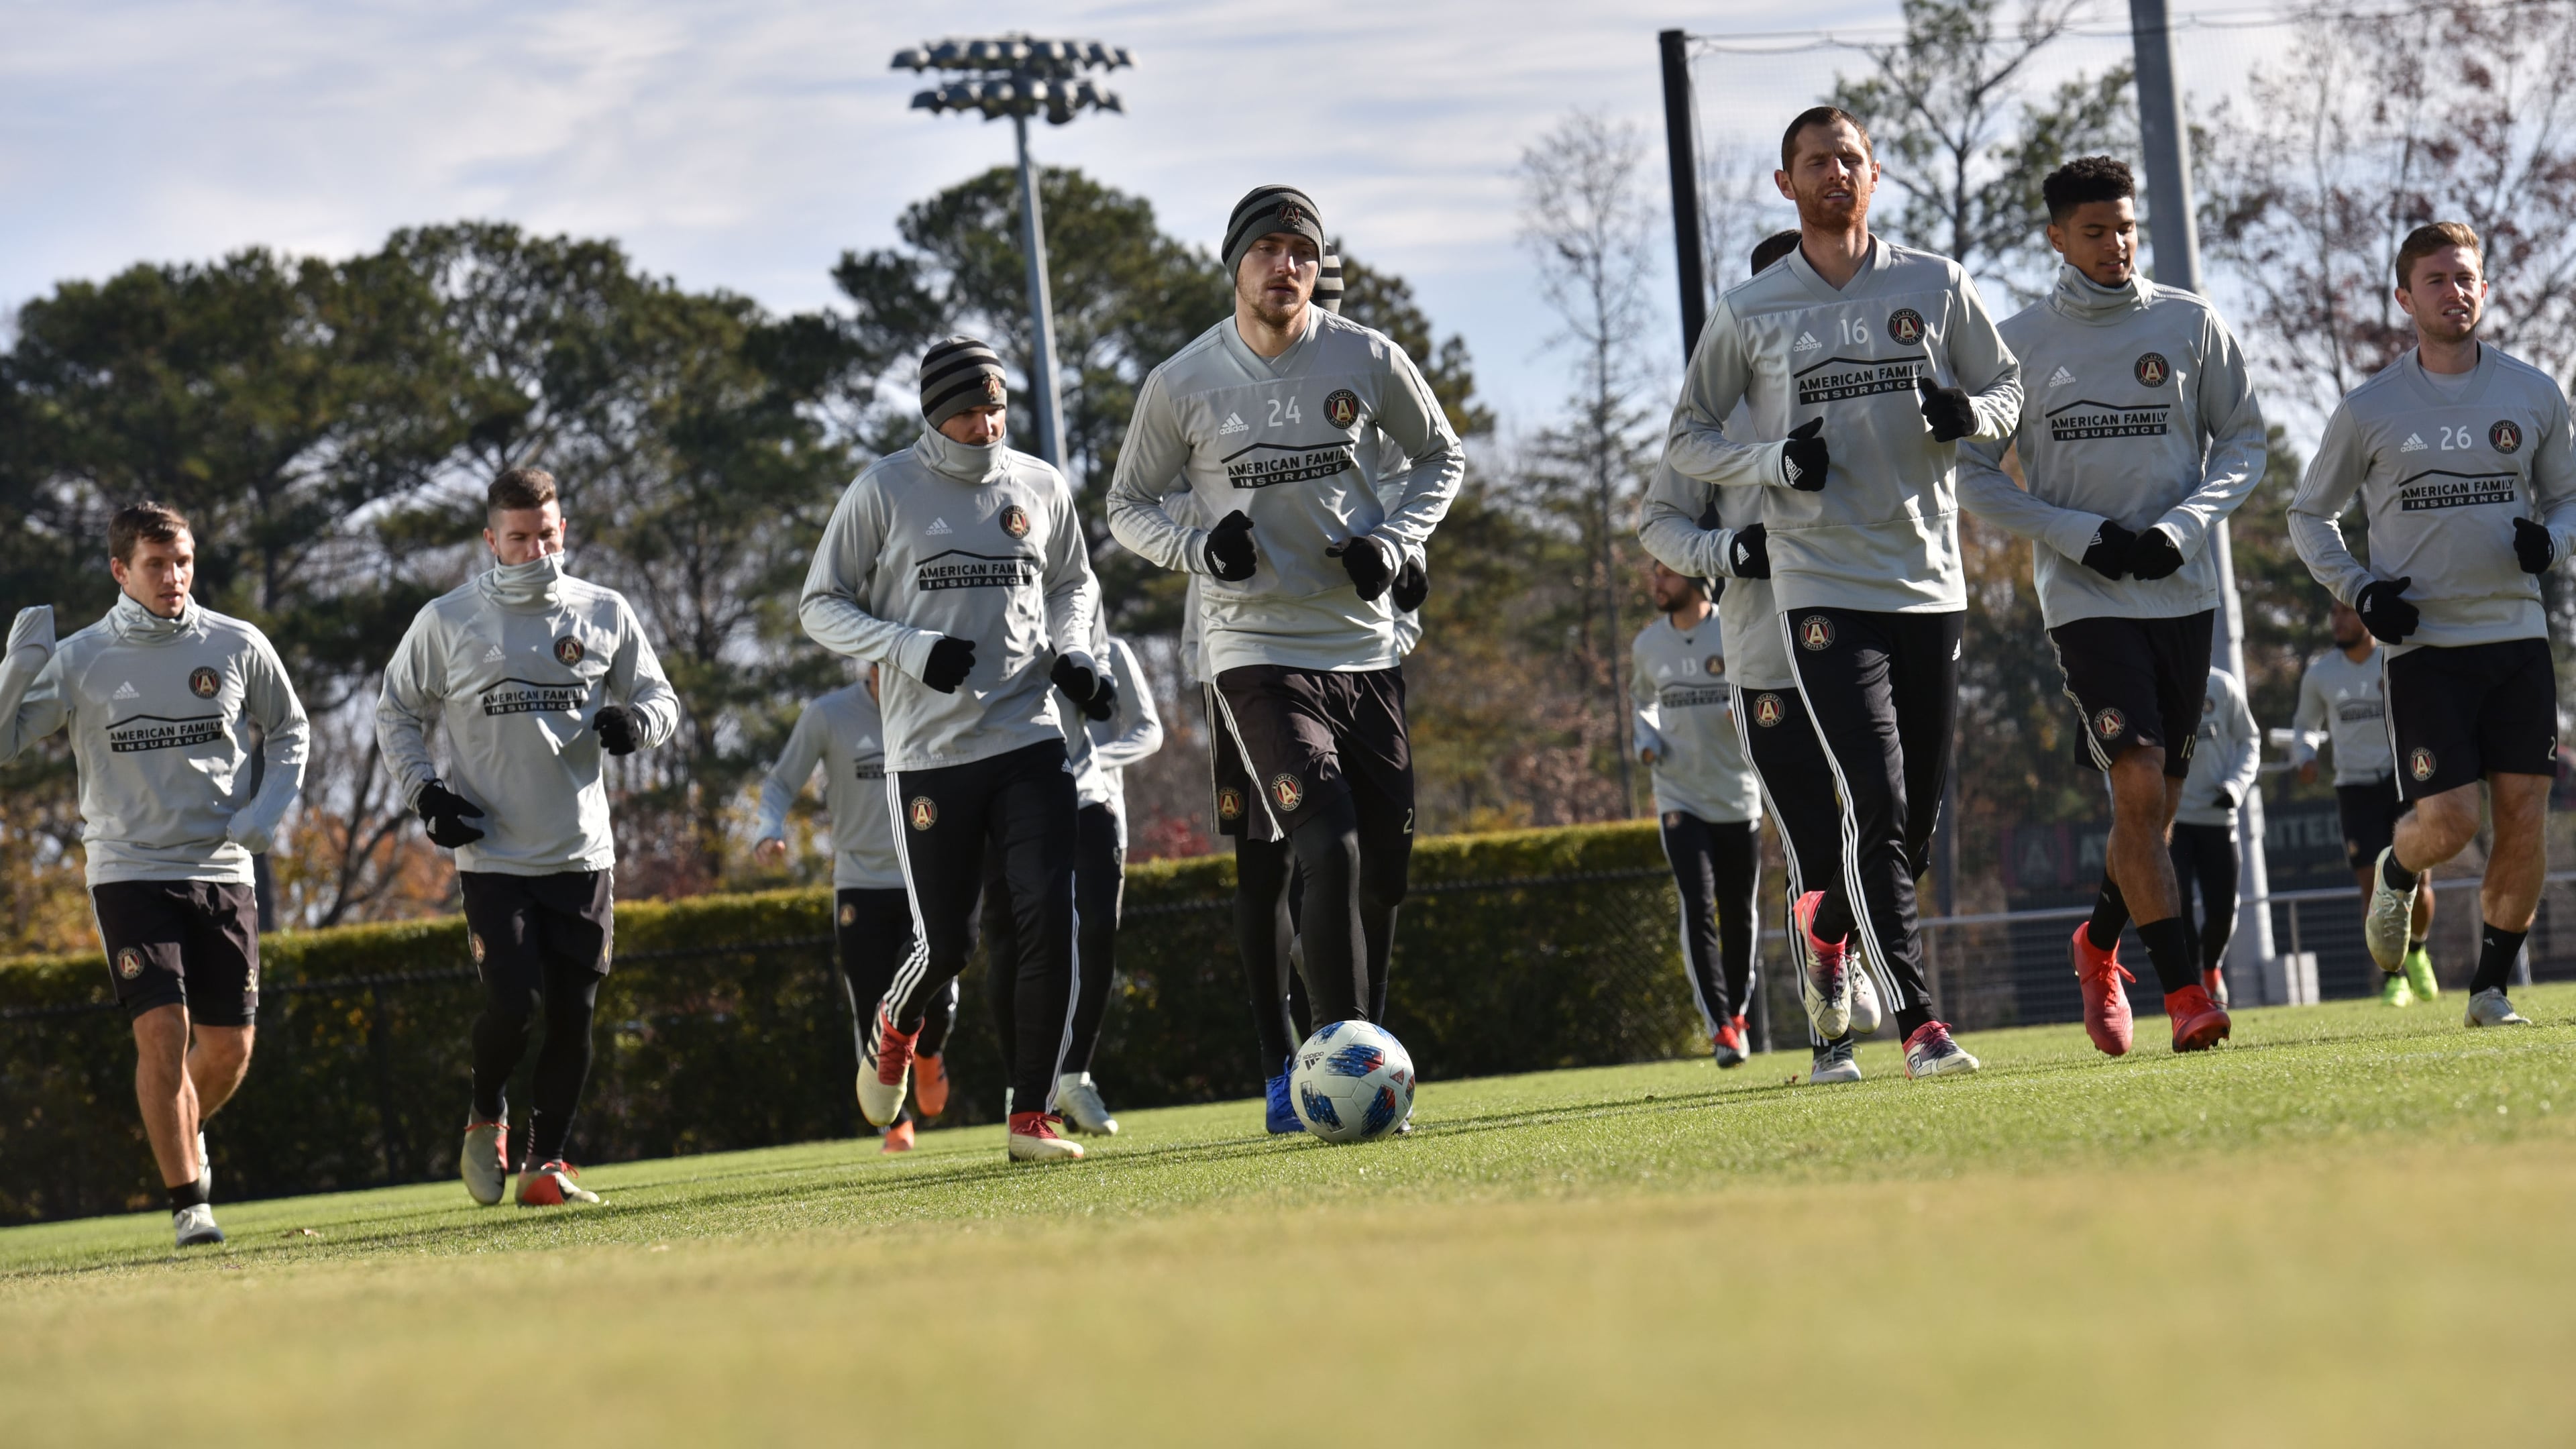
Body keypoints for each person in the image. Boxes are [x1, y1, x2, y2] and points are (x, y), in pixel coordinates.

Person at [1658, 108, 2021, 1079]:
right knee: (1872, 797)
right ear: (1785, 183)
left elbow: (2009, 388)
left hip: (1928, 579)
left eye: (1849, 159)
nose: (1834, 173)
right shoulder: (1747, 312)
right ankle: (1917, 1022)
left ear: (1876, 173)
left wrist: (1974, 413)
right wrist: (1772, 463)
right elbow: (1687, 438)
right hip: (1817, 588)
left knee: (1911, 825)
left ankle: (1828, 940)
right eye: (1815, 162)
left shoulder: (1934, 284)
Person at [1106, 187, 1464, 1098]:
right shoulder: (1183, 382)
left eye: (1301, 250)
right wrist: (1197, 548)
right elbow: (1124, 507)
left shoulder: (1367, 359)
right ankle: (1326, 1071)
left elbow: (1441, 458)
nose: (1286, 265)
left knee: (1382, 871)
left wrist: (1397, 541)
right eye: (1267, 248)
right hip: (1250, 649)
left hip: (1365, 647)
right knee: (1319, 850)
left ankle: (1352, 1045)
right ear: (1235, 263)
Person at [1956, 155, 2266, 1055]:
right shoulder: (2014, 344)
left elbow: (2243, 442)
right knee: (2133, 778)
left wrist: (2188, 525)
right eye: (2094, 232)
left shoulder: (2190, 321)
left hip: (2183, 590)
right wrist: (2070, 532)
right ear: (2056, 238)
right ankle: (2185, 997)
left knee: (2152, 817)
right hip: (2085, 598)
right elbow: (1973, 477)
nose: (2116, 244)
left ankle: (2097, 945)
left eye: (2126, 227)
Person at [800, 335, 1106, 1162]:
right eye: (968, 412)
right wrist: (907, 647)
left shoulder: (1040, 484)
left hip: (1029, 734)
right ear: (934, 417)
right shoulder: (885, 490)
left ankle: (1030, 1117)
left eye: (996, 407)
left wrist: (1076, 652)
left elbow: (1074, 583)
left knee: (1051, 916)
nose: (986, 425)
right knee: (950, 945)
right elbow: (818, 605)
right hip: (931, 755)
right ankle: (895, 1025)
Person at [2290, 221, 2576, 1029]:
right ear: (2405, 297)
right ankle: (2395, 863)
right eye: (2438, 280)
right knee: (2450, 824)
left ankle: (2489, 990)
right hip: (2424, 650)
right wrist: (2362, 589)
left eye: (2467, 278)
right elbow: (2309, 515)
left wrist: (2550, 540)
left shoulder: (2533, 392)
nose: (2456, 292)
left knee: (2524, 813)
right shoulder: (2371, 407)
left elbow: (2568, 497)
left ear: (2485, 289)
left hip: (2517, 638)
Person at [0, 502, 309, 1248]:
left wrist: (266, 810)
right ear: (120, 571)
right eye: (156, 565)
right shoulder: (80, 658)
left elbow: (292, 728)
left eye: (183, 562)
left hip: (223, 867)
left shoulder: (237, 643)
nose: (173, 578)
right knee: (162, 1033)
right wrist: (14, 670)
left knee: (230, 1049)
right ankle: (188, 1203)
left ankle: (181, 1128)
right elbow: (5, 742)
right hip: (128, 870)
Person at [378, 466, 678, 1206]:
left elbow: (660, 697)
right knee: (512, 1005)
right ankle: (487, 1108)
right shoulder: (447, 621)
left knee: (575, 1015)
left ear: (563, 530)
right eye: (519, 538)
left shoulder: (604, 611)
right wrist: (427, 795)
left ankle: (547, 1166)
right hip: (493, 853)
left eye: (548, 535)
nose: (537, 551)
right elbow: (394, 712)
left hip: (581, 851)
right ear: (491, 541)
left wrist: (637, 724)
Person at [1644, 229, 1879, 1087]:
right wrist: (1729, 555)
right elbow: (1661, 524)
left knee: (1887, 824)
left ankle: (1849, 942)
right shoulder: (1713, 414)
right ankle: (1830, 1030)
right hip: (1766, 660)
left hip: (1867, 646)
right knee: (1813, 842)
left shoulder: (1874, 384)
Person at [753, 663, 958, 1154]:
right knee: (871, 1007)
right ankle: (895, 1123)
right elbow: (781, 782)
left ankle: (929, 1051)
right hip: (859, 885)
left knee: (939, 995)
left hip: (924, 878)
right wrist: (768, 828)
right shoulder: (828, 715)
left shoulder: (940, 702)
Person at [977, 616, 1164, 1135]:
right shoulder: (1010, 647)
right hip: (1015, 808)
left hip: (1092, 803)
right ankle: (1024, 1089)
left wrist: (1086, 763)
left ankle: (1074, 1078)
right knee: (1011, 941)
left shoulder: (1116, 651)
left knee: (1098, 931)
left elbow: (1149, 731)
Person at [1631, 560, 1765, 1067]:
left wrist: (1747, 708)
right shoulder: (1647, 646)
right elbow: (1640, 702)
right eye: (1655, 572)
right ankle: (1720, 1029)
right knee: (1698, 902)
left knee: (1739, 914)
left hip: (1738, 796)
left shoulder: (1733, 630)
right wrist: (1647, 742)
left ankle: (1737, 1014)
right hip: (1678, 798)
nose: (1657, 582)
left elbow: (1763, 688)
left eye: (1667, 572)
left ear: (1695, 578)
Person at [2291, 599, 2437, 1005]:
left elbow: (2427, 708)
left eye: (2347, 612)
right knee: (2373, 888)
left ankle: (2419, 952)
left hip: (2403, 783)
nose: (2339, 620)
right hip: (2355, 789)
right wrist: (2304, 755)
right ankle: (2393, 979)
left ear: (2367, 616)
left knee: (2419, 882)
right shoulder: (2320, 674)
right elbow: (2305, 726)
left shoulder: (2394, 658)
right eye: (2334, 613)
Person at [2169, 666, 2261, 1004]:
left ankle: (2211, 969)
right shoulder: (2149, 682)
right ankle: (2193, 993)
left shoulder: (2222, 684)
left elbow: (2250, 739)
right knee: (2178, 911)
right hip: (2171, 822)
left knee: (2222, 912)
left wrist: (2236, 786)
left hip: (2219, 819)